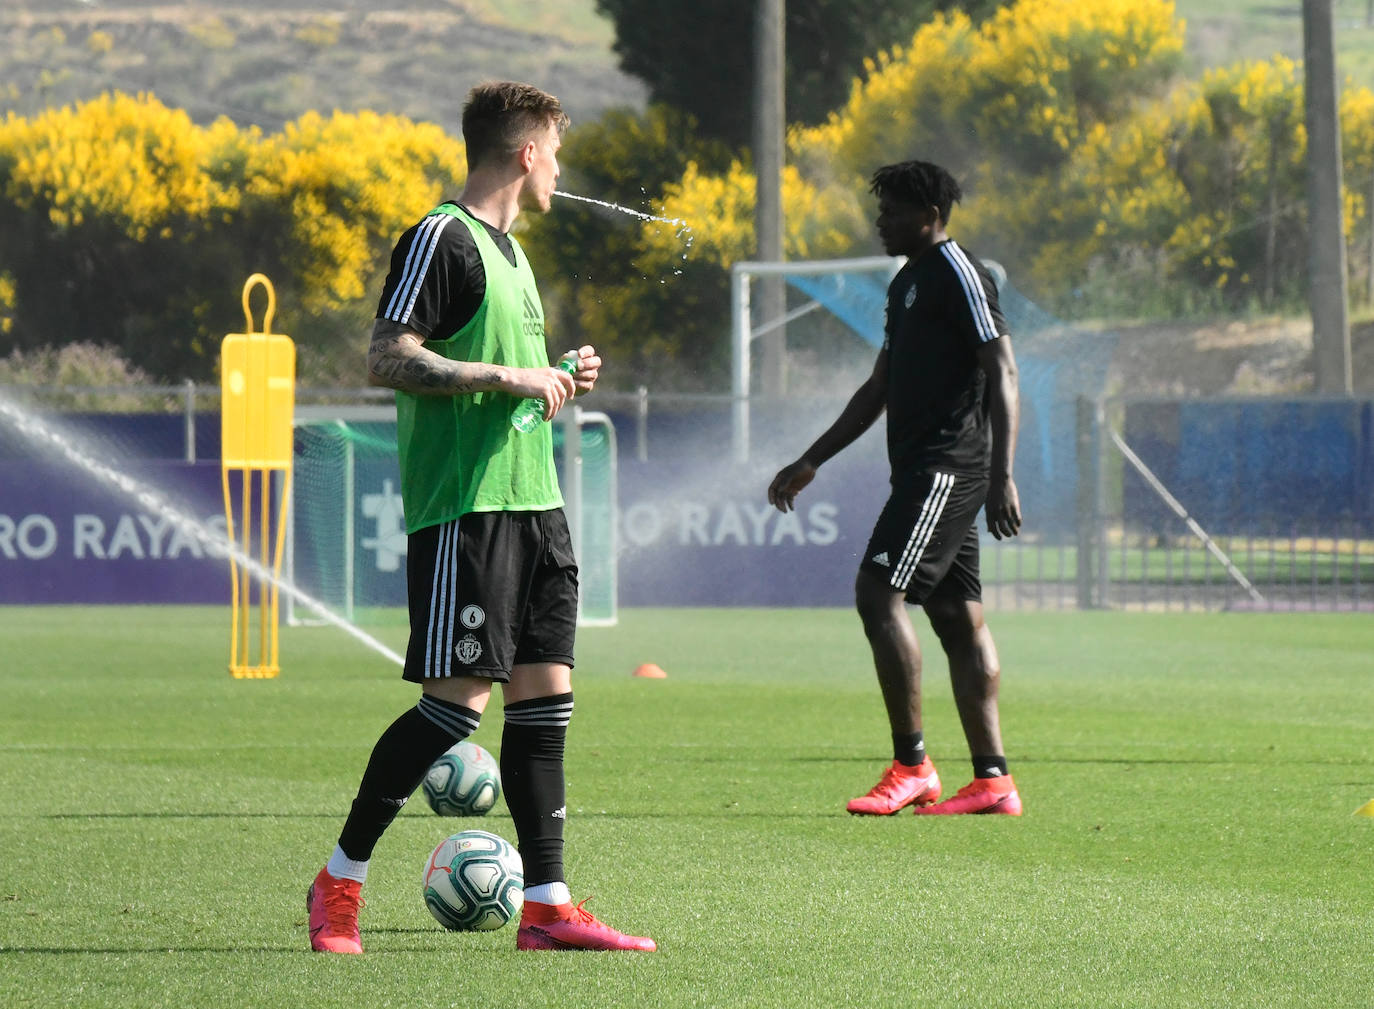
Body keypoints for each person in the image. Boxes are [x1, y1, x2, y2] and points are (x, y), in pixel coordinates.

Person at [306, 81, 655, 954]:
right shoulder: (441, 236)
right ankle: (339, 881)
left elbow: (508, 383)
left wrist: (554, 373)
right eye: (557, 152)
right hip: (469, 510)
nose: (560, 170)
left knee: (545, 709)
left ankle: (546, 906)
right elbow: (391, 354)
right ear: (529, 152)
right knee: (455, 710)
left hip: (538, 507)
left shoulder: (513, 255)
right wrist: (512, 377)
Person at [767, 159, 1024, 817]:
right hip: (923, 468)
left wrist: (1001, 474)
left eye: (892, 211)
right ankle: (993, 780)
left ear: (929, 215)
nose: (880, 221)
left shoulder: (960, 272)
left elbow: (1004, 370)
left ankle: (912, 763)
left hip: (948, 467)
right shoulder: (907, 283)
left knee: (878, 592)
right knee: (956, 618)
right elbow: (879, 387)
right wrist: (812, 458)